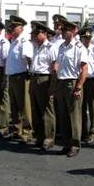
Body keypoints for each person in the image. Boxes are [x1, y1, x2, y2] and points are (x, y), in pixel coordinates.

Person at [54, 20, 88, 157]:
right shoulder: (62, 47)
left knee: (74, 116)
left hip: (72, 83)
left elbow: (84, 68)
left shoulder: (79, 47)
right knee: (63, 116)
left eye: (65, 30)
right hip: (62, 82)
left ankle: (75, 145)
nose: (63, 32)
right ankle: (66, 143)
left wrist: (78, 87)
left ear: (73, 32)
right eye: (62, 30)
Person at [29, 21, 58, 150]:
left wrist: (52, 86)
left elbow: (54, 68)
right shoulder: (36, 46)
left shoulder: (51, 48)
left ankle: (49, 138)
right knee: (35, 110)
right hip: (34, 78)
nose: (34, 35)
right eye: (34, 33)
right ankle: (39, 136)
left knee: (47, 110)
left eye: (37, 33)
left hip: (44, 79)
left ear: (44, 34)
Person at [5, 16, 33, 142]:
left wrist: (29, 72)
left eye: (14, 27)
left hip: (21, 76)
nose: (11, 29)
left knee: (24, 106)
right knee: (14, 106)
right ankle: (17, 130)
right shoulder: (13, 42)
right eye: (11, 26)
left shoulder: (24, 42)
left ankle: (27, 132)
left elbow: (29, 59)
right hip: (12, 76)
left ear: (20, 28)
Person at [78, 26, 94, 146]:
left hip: (93, 80)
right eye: (84, 38)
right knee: (81, 107)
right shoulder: (78, 49)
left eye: (88, 38)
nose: (87, 40)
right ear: (81, 38)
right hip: (82, 80)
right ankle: (83, 132)